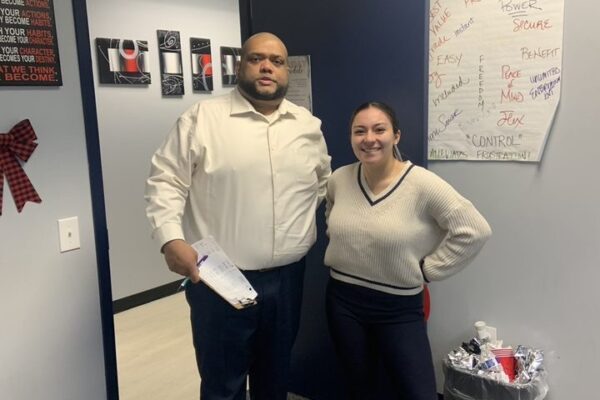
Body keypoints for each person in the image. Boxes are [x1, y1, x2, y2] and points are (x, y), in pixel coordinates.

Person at [145, 32, 331, 400]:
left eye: (276, 61)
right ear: (239, 65)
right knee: (223, 384)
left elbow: (321, 184)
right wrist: (170, 238)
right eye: (256, 58)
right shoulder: (202, 119)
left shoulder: (307, 126)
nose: (267, 67)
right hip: (220, 279)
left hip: (288, 280)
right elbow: (166, 180)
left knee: (275, 379)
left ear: (286, 71)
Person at [324, 102, 492, 399]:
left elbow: (474, 229)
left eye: (379, 129)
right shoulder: (339, 179)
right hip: (343, 301)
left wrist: (429, 269)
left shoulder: (422, 184)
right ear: (351, 137)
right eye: (359, 131)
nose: (369, 139)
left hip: (398, 307)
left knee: (417, 391)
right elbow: (332, 218)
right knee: (359, 387)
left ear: (396, 136)